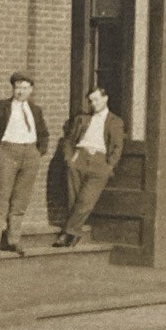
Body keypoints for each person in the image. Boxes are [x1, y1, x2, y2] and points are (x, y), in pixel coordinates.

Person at [0, 71, 49, 254]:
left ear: (31, 90)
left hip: (30, 154)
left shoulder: (35, 110)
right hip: (7, 152)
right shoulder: (0, 108)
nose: (21, 92)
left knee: (21, 200)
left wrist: (39, 151)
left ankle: (13, 239)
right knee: (1, 198)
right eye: (18, 88)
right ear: (13, 89)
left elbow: (43, 133)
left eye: (25, 88)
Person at [55, 85, 126, 247]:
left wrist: (109, 167)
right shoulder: (82, 119)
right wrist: (69, 159)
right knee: (73, 198)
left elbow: (117, 147)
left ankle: (68, 233)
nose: (93, 103)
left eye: (96, 99)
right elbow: (68, 141)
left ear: (105, 98)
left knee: (86, 200)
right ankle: (72, 234)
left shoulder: (115, 121)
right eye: (91, 101)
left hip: (99, 162)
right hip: (79, 158)